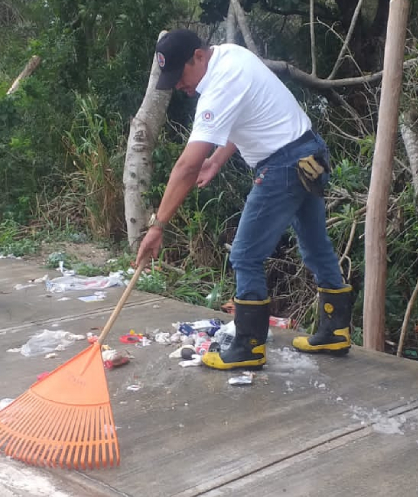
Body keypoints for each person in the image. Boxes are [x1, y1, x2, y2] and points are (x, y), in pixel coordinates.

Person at [135, 29, 352, 371]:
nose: (178, 85)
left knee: (245, 255)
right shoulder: (231, 56)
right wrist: (217, 160)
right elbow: (246, 113)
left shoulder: (218, 85)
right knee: (315, 244)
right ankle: (335, 330)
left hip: (283, 165)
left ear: (198, 56)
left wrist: (157, 226)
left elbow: (186, 166)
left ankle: (248, 346)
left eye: (180, 75)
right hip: (309, 153)